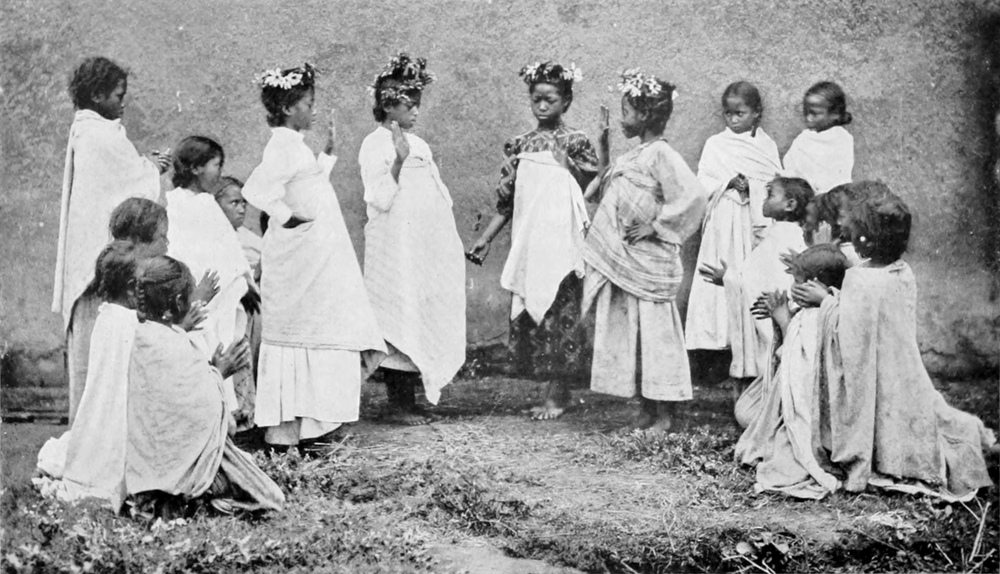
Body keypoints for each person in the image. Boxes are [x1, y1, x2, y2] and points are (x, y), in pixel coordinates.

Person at [798, 191, 996, 501]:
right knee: (936, 419)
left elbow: (849, 335)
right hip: (902, 370)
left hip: (876, 376)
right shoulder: (902, 272)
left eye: (852, 226)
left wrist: (825, 302)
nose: (845, 229)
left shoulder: (860, 279)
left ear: (864, 237)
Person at [242, 63, 386, 447]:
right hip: (302, 261)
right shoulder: (282, 146)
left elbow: (306, 186)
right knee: (312, 328)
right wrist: (287, 218)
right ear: (288, 108)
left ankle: (307, 425)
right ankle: (294, 428)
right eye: (308, 103)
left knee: (323, 325)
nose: (314, 110)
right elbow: (256, 190)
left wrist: (327, 155)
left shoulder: (293, 145)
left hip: (315, 259)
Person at [468, 61, 597, 420]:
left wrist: (568, 165)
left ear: (566, 101)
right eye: (536, 99)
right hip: (532, 243)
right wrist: (486, 238)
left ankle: (559, 395)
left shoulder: (576, 142)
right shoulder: (519, 145)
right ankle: (549, 392)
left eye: (550, 100)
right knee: (536, 314)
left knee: (560, 313)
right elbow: (507, 202)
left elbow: (591, 188)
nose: (542, 106)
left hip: (563, 244)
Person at [581, 69, 706, 432]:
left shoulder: (662, 153)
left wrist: (657, 225)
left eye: (627, 112)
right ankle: (646, 411)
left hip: (649, 262)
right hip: (629, 263)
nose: (623, 120)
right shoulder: (636, 154)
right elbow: (607, 184)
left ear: (645, 115)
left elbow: (694, 196)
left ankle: (665, 416)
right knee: (636, 336)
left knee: (656, 338)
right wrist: (604, 144)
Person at [52, 56, 171, 424]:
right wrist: (153, 168)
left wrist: (144, 166)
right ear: (97, 95)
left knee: (96, 359)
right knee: (98, 359)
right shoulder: (99, 136)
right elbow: (129, 188)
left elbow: (121, 176)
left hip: (91, 264)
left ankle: (93, 431)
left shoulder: (88, 132)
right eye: (119, 95)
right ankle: (95, 434)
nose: (124, 102)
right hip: (98, 273)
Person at [127, 255, 284, 517]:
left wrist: (208, 367)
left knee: (246, 469)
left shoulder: (145, 336)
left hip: (145, 469)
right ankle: (198, 500)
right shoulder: (179, 345)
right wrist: (220, 372)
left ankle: (170, 499)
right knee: (271, 498)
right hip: (183, 467)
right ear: (179, 302)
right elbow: (203, 413)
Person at [359, 53, 466, 425]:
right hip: (393, 246)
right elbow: (378, 198)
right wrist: (398, 161)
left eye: (418, 104)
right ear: (389, 106)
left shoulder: (419, 143)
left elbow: (437, 195)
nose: (416, 111)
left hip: (420, 245)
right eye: (410, 105)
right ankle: (398, 403)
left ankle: (412, 397)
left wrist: (442, 239)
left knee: (420, 313)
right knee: (396, 314)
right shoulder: (374, 144)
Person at [36, 241, 149, 511]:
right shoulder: (128, 323)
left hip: (104, 408)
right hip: (119, 413)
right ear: (131, 287)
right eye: (143, 284)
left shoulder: (106, 315)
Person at [734, 244, 849, 499]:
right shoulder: (814, 311)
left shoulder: (820, 316)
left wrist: (783, 318)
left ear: (814, 285)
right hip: (795, 400)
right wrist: (780, 317)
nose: (792, 287)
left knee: (757, 426)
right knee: (745, 412)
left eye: (797, 282)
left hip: (811, 411)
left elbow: (800, 369)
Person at [165, 136, 256, 430]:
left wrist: (241, 280)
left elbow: (227, 248)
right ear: (195, 168)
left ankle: (219, 420)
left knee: (213, 346)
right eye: (216, 165)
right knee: (203, 348)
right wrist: (239, 281)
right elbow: (181, 250)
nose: (219, 172)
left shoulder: (194, 202)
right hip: (198, 292)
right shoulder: (184, 203)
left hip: (211, 294)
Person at [686, 81, 781, 353]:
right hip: (723, 220)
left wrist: (752, 185)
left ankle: (751, 341)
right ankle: (715, 342)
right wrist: (727, 182)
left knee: (748, 272)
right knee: (717, 275)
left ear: (757, 113)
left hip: (751, 221)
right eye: (728, 114)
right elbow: (703, 181)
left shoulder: (766, 146)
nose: (734, 119)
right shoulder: (716, 144)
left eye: (740, 113)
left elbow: (775, 182)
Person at [699, 177, 813, 404]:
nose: (764, 199)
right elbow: (759, 276)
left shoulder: (786, 237)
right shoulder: (778, 234)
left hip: (775, 319)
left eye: (771, 194)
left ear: (790, 204)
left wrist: (730, 278)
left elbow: (769, 283)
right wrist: (730, 279)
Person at [214, 175, 265, 383]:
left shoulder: (248, 238)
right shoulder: (212, 236)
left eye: (244, 203)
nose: (242, 209)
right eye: (234, 203)